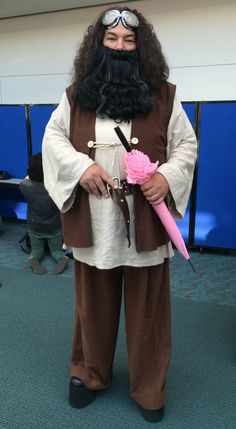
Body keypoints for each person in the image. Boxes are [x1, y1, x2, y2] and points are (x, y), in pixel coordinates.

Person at [42, 6, 197, 422]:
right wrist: (82, 167)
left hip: (146, 219)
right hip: (95, 220)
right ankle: (89, 373)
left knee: (149, 310)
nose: (121, 47)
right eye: (112, 40)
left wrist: (166, 177)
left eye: (129, 41)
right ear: (99, 45)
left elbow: (186, 145)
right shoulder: (76, 94)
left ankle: (149, 387)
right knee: (92, 305)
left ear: (140, 47)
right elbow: (54, 138)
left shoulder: (164, 94)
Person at [20, 153, 68, 275]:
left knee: (36, 251)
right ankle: (61, 259)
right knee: (57, 251)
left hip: (34, 227)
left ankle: (34, 259)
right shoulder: (55, 188)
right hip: (54, 227)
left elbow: (26, 179)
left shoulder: (24, 187)